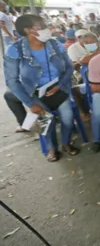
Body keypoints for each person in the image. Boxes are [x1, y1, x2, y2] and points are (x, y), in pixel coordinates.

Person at [4, 15, 80, 162]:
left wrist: (60, 85)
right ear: (28, 30)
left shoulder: (54, 44)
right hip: (34, 91)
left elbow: (69, 67)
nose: (47, 29)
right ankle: (52, 148)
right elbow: (12, 81)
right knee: (46, 122)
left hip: (59, 88)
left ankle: (65, 143)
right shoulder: (15, 50)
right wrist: (30, 103)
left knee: (68, 119)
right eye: (41, 26)